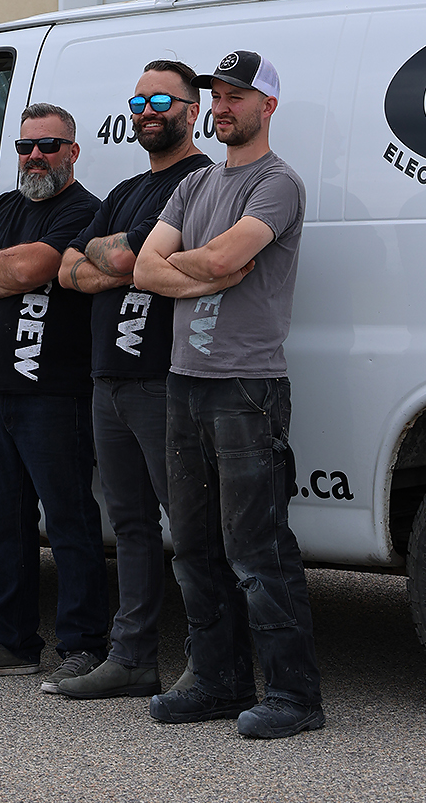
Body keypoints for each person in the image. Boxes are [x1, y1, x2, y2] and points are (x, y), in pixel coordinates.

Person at [134, 50, 324, 739]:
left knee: (258, 549)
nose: (222, 107)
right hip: (186, 382)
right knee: (191, 547)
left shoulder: (279, 184)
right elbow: (148, 269)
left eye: (238, 97)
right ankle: (217, 681)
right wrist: (206, 277)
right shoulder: (196, 185)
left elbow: (207, 259)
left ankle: (296, 697)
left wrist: (193, 268)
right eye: (217, 95)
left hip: (247, 387)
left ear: (267, 106)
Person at [53, 60, 211, 699]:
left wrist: (119, 259)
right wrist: (119, 259)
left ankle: (211, 660)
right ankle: (133, 657)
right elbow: (72, 271)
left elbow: (126, 261)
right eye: (139, 99)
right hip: (108, 378)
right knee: (131, 523)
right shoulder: (121, 192)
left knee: (192, 524)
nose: (148, 111)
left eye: (162, 100)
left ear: (192, 110)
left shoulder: (200, 183)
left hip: (162, 376)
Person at [0, 104, 108, 688]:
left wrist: (0, 267)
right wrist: (6, 271)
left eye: (49, 146)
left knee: (69, 519)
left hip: (55, 391)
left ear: (73, 152)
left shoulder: (85, 210)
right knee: (2, 521)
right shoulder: (1, 208)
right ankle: (11, 641)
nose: (34, 157)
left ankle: (85, 643)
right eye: (25, 146)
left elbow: (38, 266)